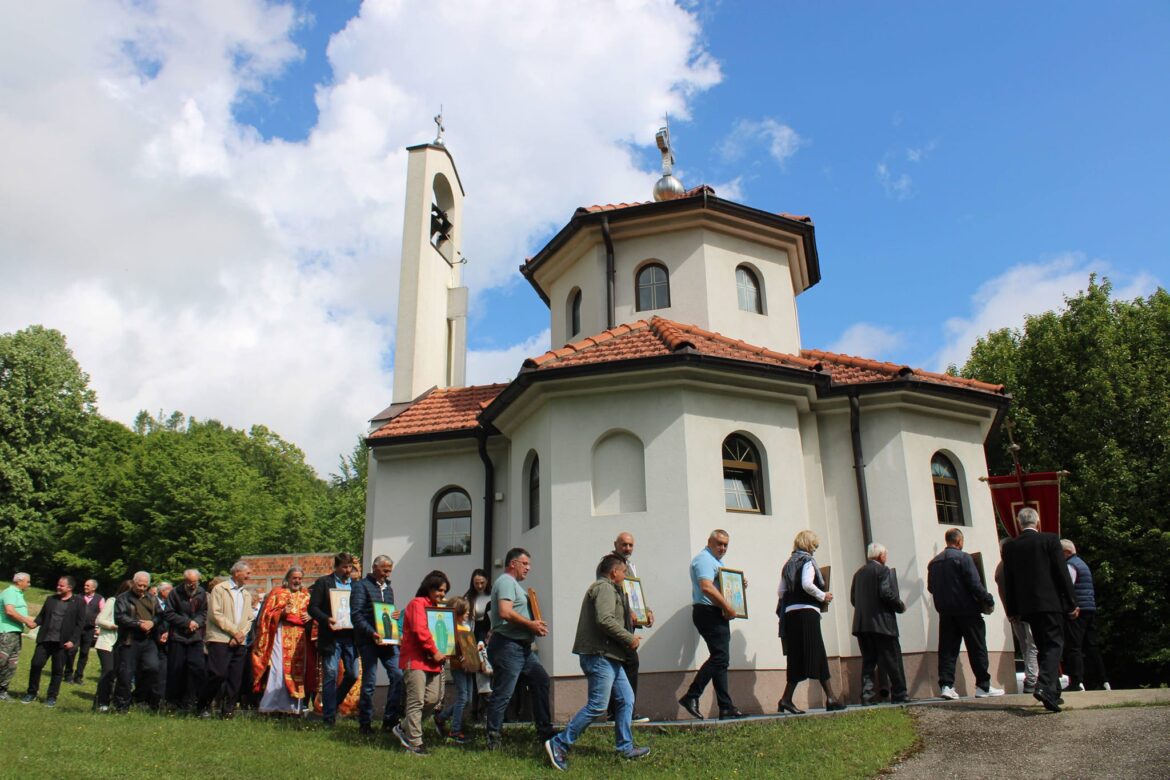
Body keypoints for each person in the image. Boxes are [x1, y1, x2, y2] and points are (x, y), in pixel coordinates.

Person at [544, 554, 651, 771]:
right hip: (600, 655)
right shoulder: (604, 588)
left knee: (626, 699)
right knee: (598, 705)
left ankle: (625, 746)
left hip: (610, 656)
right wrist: (629, 638)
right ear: (614, 572)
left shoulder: (613, 590)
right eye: (624, 572)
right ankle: (560, 743)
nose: (626, 576)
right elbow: (604, 619)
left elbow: (614, 618)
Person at [1001, 508, 1078, 712]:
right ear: (1038, 521)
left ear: (1019, 523)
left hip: (1028, 606)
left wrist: (1013, 609)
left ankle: (1052, 691)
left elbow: (1009, 581)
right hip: (1050, 603)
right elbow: (1061, 573)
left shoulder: (1011, 547)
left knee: (1044, 646)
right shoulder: (1050, 540)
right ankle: (1044, 686)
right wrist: (1071, 602)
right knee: (1054, 645)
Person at [484, 547, 555, 750]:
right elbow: (506, 612)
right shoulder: (506, 581)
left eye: (529, 564)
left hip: (521, 648)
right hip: (507, 646)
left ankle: (545, 731)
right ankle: (493, 738)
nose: (528, 568)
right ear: (512, 564)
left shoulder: (514, 585)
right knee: (504, 692)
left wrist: (533, 626)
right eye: (525, 564)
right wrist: (531, 625)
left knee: (540, 680)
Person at [927, 528, 1003, 699]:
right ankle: (983, 685)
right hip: (967, 610)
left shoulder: (934, 563)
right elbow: (974, 584)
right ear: (959, 541)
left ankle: (946, 686)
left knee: (947, 650)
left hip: (946, 612)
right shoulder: (964, 558)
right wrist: (988, 599)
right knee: (977, 648)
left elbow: (931, 587)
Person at [776, 530, 844, 713]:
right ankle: (829, 697)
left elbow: (781, 592)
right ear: (809, 545)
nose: (815, 550)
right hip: (807, 612)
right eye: (815, 546)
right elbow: (807, 584)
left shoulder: (788, 564)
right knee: (818, 652)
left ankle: (787, 699)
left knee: (796, 655)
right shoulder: (807, 561)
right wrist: (823, 595)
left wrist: (792, 598)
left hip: (790, 614)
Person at [679, 529, 744, 720]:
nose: (722, 548)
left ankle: (725, 706)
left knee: (721, 661)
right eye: (719, 543)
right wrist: (728, 606)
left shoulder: (716, 562)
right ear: (709, 542)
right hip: (708, 613)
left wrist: (737, 584)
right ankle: (691, 696)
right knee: (720, 657)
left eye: (725, 545)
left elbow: (716, 585)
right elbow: (706, 587)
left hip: (715, 613)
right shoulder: (704, 559)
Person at [392, 571, 450, 756]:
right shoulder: (417, 604)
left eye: (444, 591)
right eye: (439, 590)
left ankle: (402, 727)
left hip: (433, 661)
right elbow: (420, 630)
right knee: (416, 700)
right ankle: (414, 743)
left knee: (433, 700)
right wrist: (434, 651)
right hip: (416, 659)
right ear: (429, 588)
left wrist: (445, 650)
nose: (442, 594)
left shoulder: (436, 608)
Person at [350, 554, 404, 734]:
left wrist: (395, 616)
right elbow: (356, 615)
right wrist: (371, 632)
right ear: (375, 568)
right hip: (368, 641)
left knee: (397, 675)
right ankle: (365, 722)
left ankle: (390, 719)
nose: (387, 574)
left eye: (389, 571)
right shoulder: (360, 587)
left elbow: (387, 613)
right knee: (370, 682)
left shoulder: (389, 589)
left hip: (388, 641)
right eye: (384, 570)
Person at [850, 542, 908, 705]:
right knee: (893, 659)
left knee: (869, 660)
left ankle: (867, 695)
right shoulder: (883, 570)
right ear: (881, 555)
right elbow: (886, 592)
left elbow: (853, 599)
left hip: (862, 625)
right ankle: (900, 693)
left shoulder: (858, 573)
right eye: (886, 554)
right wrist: (899, 605)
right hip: (883, 624)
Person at [249, 566, 313, 715]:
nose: (297, 581)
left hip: (300, 637)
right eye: (294, 578)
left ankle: (292, 708)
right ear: (288, 578)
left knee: (296, 671)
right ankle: (271, 705)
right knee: (278, 669)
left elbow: (313, 612)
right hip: (280, 633)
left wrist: (310, 617)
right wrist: (282, 612)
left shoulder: (306, 595)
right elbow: (266, 615)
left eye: (299, 578)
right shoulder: (277, 593)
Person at [197, 561, 254, 719]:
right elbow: (216, 614)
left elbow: (249, 618)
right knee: (218, 673)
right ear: (237, 573)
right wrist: (234, 632)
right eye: (247, 573)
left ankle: (228, 709)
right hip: (220, 638)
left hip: (240, 640)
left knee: (235, 677)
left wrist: (241, 634)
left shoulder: (246, 594)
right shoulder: (219, 589)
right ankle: (203, 705)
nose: (249, 576)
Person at [308, 552, 358, 727]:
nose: (347, 570)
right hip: (331, 636)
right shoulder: (324, 583)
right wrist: (325, 618)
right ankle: (329, 716)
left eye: (350, 567)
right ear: (336, 567)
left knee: (352, 674)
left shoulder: (356, 585)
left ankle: (333, 702)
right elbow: (312, 608)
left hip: (350, 637)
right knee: (330, 673)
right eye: (344, 567)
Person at [608, 532, 652, 723]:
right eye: (624, 544)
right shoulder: (610, 565)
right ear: (615, 544)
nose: (627, 548)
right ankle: (624, 712)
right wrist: (628, 612)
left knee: (624, 666)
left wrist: (646, 611)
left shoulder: (631, 566)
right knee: (628, 664)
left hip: (630, 625)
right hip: (618, 624)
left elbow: (634, 594)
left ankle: (619, 712)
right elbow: (614, 594)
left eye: (630, 545)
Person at [21, 576, 84, 707]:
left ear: (69, 587)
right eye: (58, 585)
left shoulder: (78, 602)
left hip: (62, 643)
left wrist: (73, 640)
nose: (58, 587)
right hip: (45, 639)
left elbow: (80, 624)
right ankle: (31, 693)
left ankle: (51, 697)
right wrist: (34, 623)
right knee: (36, 665)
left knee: (57, 670)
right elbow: (42, 616)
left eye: (61, 585)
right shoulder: (51, 599)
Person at [1060, 539, 1108, 691]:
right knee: (1091, 646)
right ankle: (1104, 681)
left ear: (1066, 552)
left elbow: (1068, 588)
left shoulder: (1070, 565)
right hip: (1089, 608)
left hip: (1077, 611)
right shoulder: (1082, 564)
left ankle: (1077, 682)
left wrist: (1068, 607)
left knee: (1074, 647)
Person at [994, 541, 1038, 694]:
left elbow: (1002, 592)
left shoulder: (1000, 568)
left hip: (1013, 613)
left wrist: (1009, 612)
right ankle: (1032, 679)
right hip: (1025, 610)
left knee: (1025, 646)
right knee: (1032, 645)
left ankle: (1030, 676)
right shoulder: (1016, 564)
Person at [112, 571, 161, 712]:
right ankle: (121, 705)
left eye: (145, 585)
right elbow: (120, 617)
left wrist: (152, 623)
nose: (142, 588)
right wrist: (138, 624)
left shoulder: (152, 598)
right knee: (126, 674)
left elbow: (160, 615)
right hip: (129, 640)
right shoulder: (123, 598)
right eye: (139, 585)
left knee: (153, 668)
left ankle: (138, 696)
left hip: (148, 640)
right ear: (133, 583)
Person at [434, 596, 478, 744]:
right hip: (458, 667)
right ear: (458, 612)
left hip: (469, 667)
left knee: (468, 700)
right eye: (465, 611)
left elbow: (468, 647)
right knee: (462, 698)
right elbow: (452, 649)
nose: (468, 613)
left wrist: (476, 649)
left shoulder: (466, 627)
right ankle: (455, 730)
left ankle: (441, 718)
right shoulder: (453, 628)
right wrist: (461, 658)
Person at [164, 568, 207, 712]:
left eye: (195, 582)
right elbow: (169, 613)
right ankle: (173, 702)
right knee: (177, 670)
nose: (192, 585)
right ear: (184, 581)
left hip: (195, 638)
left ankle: (192, 700)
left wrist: (196, 623)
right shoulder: (175, 593)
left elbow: (205, 612)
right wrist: (186, 622)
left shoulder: (202, 593)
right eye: (189, 583)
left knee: (196, 669)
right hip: (178, 637)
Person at [0, 573, 38, 702]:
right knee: (1, 660)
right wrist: (26, 621)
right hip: (6, 632)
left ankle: (2, 691)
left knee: (11, 664)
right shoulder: (10, 592)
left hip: (16, 632)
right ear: (19, 581)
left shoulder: (19, 594)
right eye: (27, 582)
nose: (29, 584)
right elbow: (10, 611)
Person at [93, 580, 127, 712]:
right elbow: (99, 620)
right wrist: (113, 626)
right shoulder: (112, 601)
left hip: (120, 643)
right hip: (106, 642)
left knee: (117, 673)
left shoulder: (130, 604)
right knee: (108, 671)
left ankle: (109, 700)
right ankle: (101, 701)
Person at [464, 568, 492, 721]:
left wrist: (485, 639)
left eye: (482, 583)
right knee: (473, 674)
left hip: (488, 635)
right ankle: (474, 710)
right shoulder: (469, 597)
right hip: (471, 636)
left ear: (487, 581)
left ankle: (485, 710)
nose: (479, 586)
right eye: (476, 583)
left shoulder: (492, 595)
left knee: (485, 673)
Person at [63, 578, 103, 684]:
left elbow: (102, 614)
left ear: (94, 588)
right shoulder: (77, 597)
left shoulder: (100, 599)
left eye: (88, 586)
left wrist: (98, 628)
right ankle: (68, 675)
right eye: (85, 585)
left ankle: (78, 677)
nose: (85, 587)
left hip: (89, 630)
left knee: (84, 653)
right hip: (76, 629)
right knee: (72, 651)